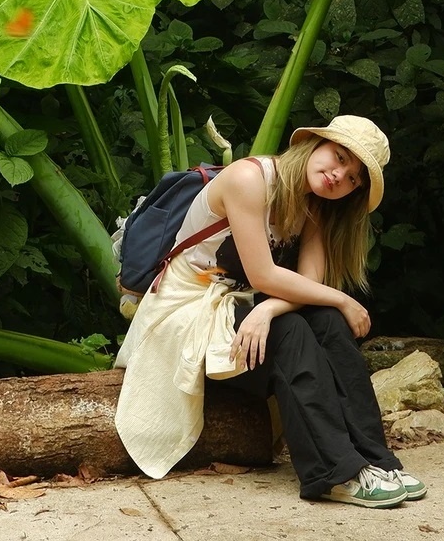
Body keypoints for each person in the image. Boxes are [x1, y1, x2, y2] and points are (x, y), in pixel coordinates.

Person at [114, 114, 426, 508]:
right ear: (314, 144)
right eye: (339, 156)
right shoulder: (249, 180)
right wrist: (342, 299)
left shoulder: (313, 205)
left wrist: (268, 311)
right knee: (294, 330)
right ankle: (334, 475)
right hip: (186, 312)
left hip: (242, 312)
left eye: (352, 179)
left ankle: (376, 460)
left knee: (326, 320)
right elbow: (264, 275)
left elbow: (311, 287)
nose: (338, 175)